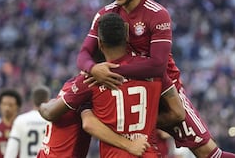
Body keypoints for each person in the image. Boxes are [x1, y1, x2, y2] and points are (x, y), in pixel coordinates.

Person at [76, 0, 235, 158]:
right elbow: (83, 54)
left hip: (164, 92)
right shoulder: (106, 14)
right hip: (126, 92)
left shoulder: (157, 14)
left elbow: (157, 66)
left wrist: (109, 70)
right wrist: (93, 69)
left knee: (209, 153)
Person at [39, 13, 175, 157]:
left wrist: (42, 104)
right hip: (148, 152)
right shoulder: (154, 70)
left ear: (100, 43)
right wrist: (148, 123)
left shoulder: (91, 80)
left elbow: (82, 122)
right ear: (127, 38)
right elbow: (177, 114)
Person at [4, 85, 50, 158]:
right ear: (48, 100)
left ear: (32, 100)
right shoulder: (51, 121)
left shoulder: (21, 120)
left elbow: (11, 150)